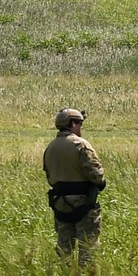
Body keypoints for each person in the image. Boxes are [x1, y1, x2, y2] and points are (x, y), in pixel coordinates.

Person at [42, 108, 106, 266]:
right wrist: (100, 183)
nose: (80, 128)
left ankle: (65, 275)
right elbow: (96, 175)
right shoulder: (80, 144)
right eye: (79, 124)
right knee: (88, 244)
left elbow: (49, 176)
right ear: (72, 124)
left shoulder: (50, 147)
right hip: (83, 201)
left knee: (64, 244)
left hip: (60, 203)